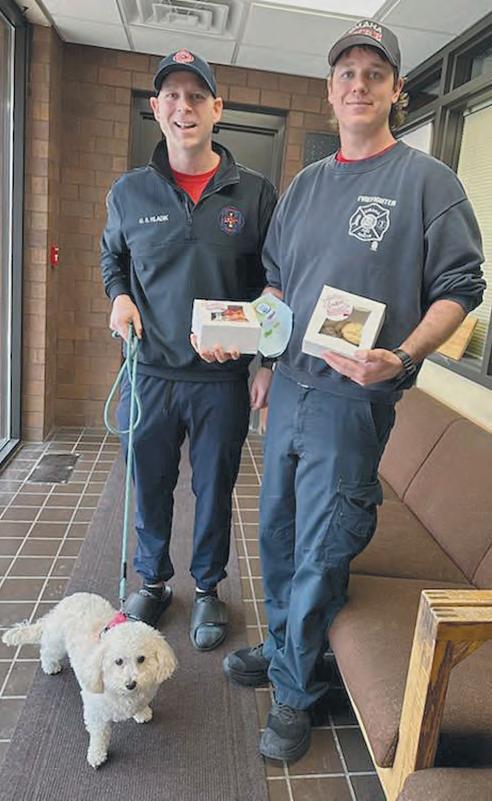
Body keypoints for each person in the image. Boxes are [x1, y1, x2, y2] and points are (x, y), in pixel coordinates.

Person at [223, 19, 485, 761]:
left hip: (352, 404)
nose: (359, 85)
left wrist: (400, 356)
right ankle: (286, 645)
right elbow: (278, 284)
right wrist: (250, 346)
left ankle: (297, 689)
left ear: (397, 90)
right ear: (330, 89)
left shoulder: (427, 183)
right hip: (291, 389)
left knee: (321, 545)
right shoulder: (307, 185)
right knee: (276, 531)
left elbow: (461, 289)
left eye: (375, 74)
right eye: (347, 73)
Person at [100, 49, 277, 650]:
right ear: (156, 108)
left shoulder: (254, 194)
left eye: (197, 96)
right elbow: (112, 259)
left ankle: (206, 587)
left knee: (214, 489)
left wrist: (264, 360)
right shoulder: (129, 192)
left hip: (220, 380)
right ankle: (152, 581)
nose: (184, 107)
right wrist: (119, 297)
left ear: (216, 108)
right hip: (147, 373)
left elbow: (273, 284)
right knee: (149, 484)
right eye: (172, 96)